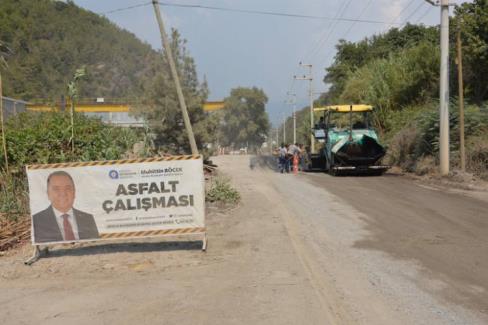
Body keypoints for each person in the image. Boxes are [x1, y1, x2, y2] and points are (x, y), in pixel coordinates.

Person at [32, 171, 99, 243]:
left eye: (68, 188)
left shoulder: (88, 218)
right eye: (56, 189)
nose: (63, 193)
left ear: (74, 192)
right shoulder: (37, 220)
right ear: (48, 194)